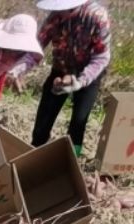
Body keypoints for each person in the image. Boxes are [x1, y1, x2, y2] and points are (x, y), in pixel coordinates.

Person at [32, 0, 111, 154]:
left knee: (79, 121)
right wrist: (19, 69)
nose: (59, 13)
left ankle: (72, 158)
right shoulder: (55, 17)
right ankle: (35, 151)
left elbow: (101, 56)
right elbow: (36, 47)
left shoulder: (97, 17)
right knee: (44, 118)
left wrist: (80, 81)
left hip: (89, 73)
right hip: (61, 70)